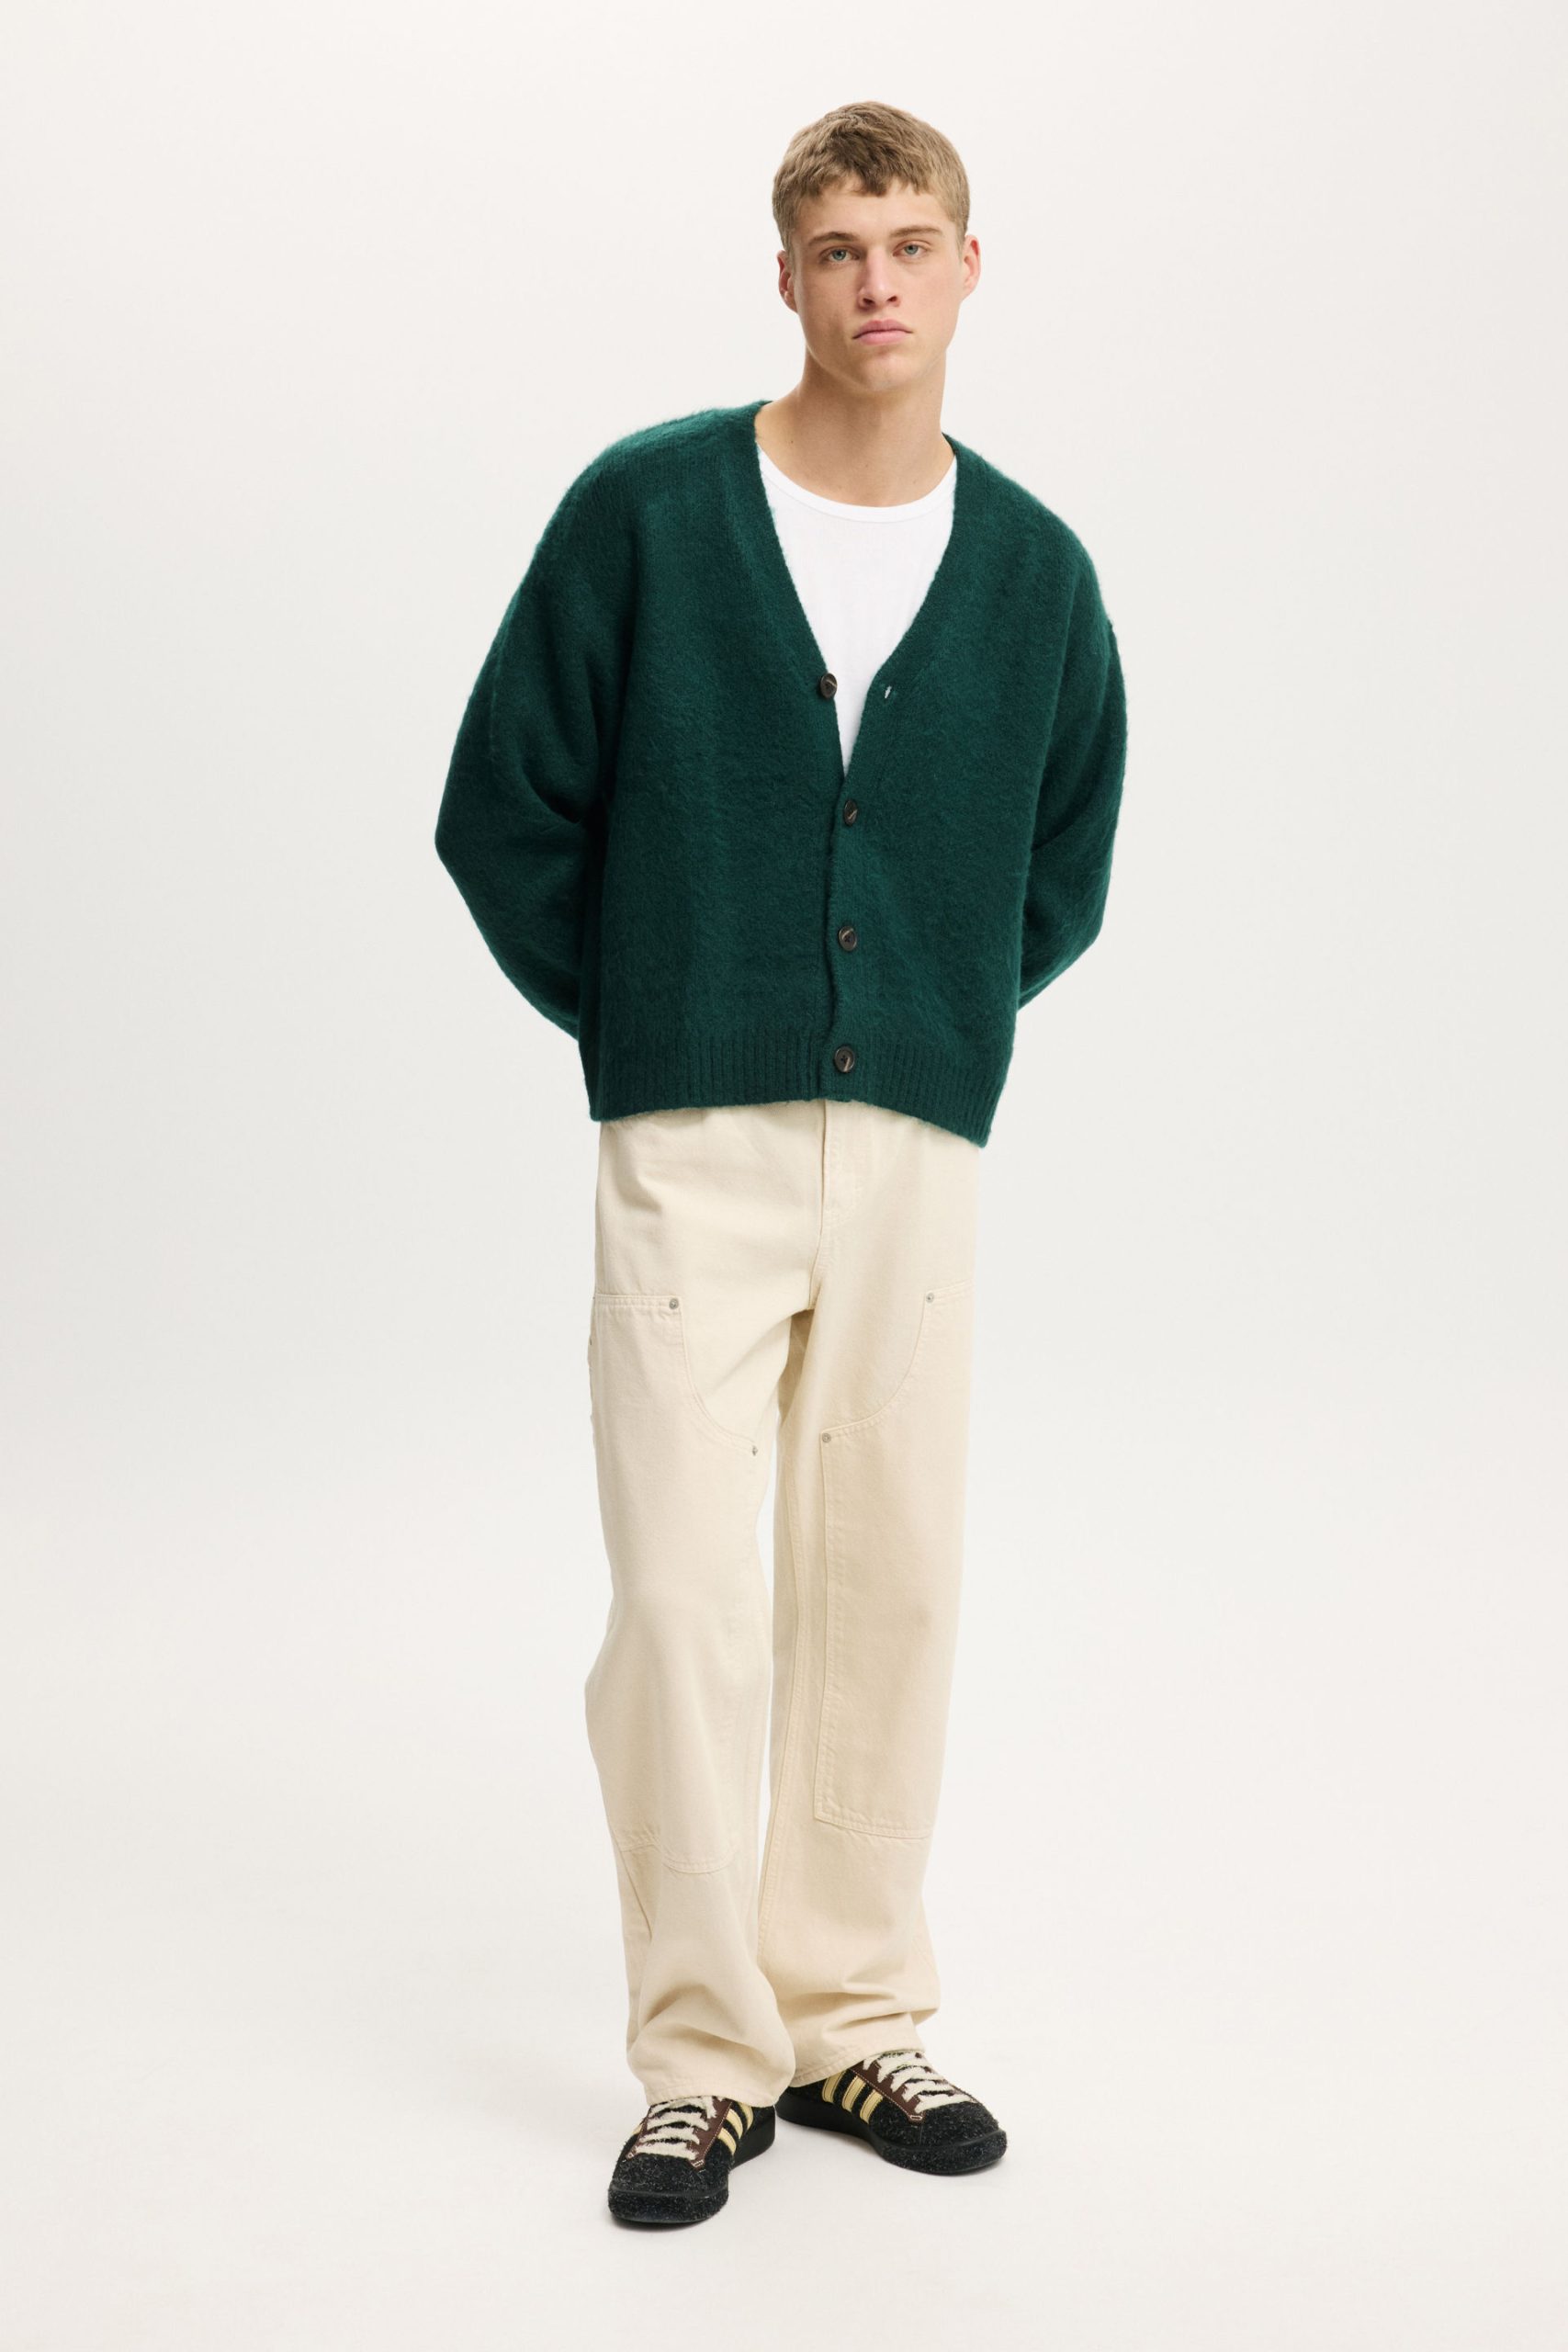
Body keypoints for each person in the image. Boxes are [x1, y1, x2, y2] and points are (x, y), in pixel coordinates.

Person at [434, 98, 1128, 2229]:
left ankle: (847, 2016)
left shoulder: (1031, 572)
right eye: (837, 250)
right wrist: (654, 1010)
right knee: (678, 1596)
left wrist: (926, 1014)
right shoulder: (648, 512)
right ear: (785, 276)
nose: (875, 284)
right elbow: (499, 806)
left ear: (970, 267)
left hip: (912, 1137)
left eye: (910, 243)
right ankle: (699, 2055)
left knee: (884, 1578)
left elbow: (1059, 862)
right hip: (692, 1135)